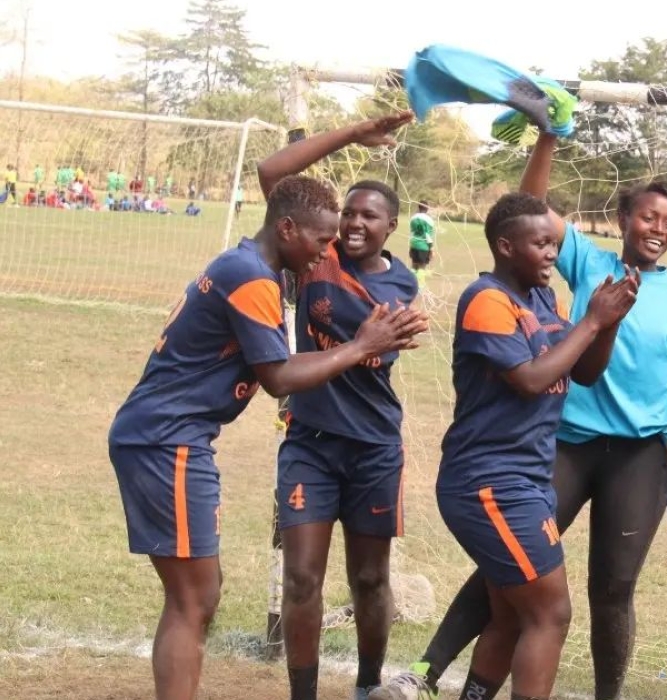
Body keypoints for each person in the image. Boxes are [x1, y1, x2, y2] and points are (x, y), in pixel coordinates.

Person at [374, 131, 667, 700]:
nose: (659, 230)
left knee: (614, 587)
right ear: (624, 218)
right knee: (518, 566)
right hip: (566, 443)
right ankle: (424, 673)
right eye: (648, 217)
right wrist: (548, 138)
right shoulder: (582, 262)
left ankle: (607, 695)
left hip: (639, 454)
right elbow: (529, 214)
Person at [107, 175, 427, 700]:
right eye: (324, 237)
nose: (331, 247)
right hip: (170, 440)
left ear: (392, 228)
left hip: (177, 437)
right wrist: (358, 345)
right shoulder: (255, 277)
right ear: (286, 228)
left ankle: (366, 685)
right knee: (195, 600)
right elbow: (278, 377)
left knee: (198, 596)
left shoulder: (262, 268)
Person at [255, 113, 431, 700]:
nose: (354, 224)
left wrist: (367, 345)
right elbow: (272, 170)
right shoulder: (313, 256)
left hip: (374, 447)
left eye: (368, 216)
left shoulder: (398, 288)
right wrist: (353, 135)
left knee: (368, 578)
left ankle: (366, 687)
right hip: (309, 441)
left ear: (392, 227)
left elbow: (376, 336)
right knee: (302, 577)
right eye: (348, 213)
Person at [438, 191, 638, 700]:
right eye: (540, 244)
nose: (552, 253)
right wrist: (590, 321)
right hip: (490, 482)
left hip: (527, 477)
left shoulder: (544, 298)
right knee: (551, 613)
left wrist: (607, 325)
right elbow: (529, 379)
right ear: (506, 247)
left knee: (510, 615)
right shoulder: (487, 300)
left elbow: (586, 371)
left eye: (554, 244)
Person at [410, 201, 436, 288]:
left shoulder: (413, 218)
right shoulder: (428, 220)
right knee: (422, 266)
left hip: (414, 243)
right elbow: (428, 235)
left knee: (414, 265)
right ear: (427, 208)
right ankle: (420, 286)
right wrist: (431, 248)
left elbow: (412, 232)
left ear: (419, 207)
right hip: (423, 245)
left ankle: (410, 283)